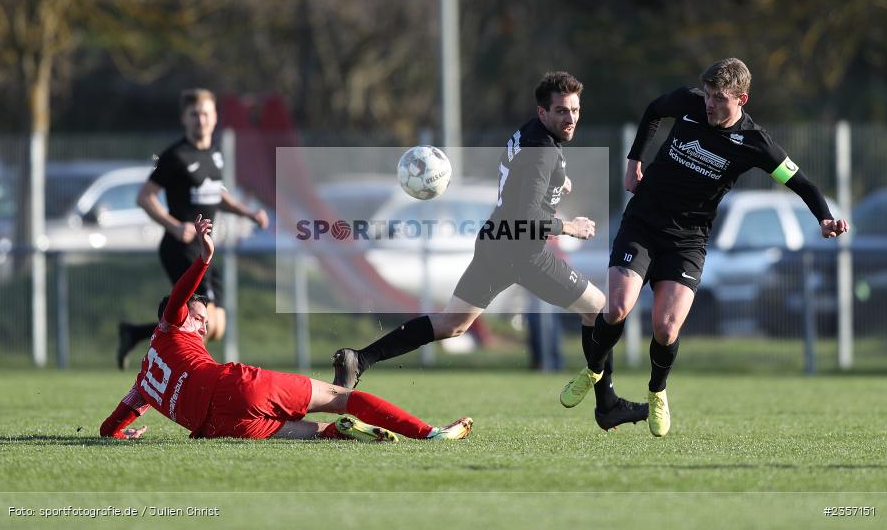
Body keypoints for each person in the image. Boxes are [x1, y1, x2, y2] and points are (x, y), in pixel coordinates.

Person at [332, 71, 648, 431]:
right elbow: (526, 216)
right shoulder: (543, 152)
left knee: (452, 324)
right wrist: (568, 226)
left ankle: (360, 359)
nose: (571, 118)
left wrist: (556, 185)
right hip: (524, 252)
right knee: (601, 309)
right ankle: (607, 404)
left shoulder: (531, 135)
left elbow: (522, 186)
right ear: (543, 112)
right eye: (562, 111)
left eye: (575, 110)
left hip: (495, 242)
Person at [559, 58, 850, 437]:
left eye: (719, 98)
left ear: (741, 98)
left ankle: (657, 391)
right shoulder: (689, 103)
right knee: (616, 307)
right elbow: (653, 112)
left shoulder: (755, 143)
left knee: (666, 328)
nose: (709, 104)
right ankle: (594, 370)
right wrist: (635, 160)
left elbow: (800, 182)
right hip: (644, 222)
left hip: (688, 239)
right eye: (708, 95)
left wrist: (823, 217)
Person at [101, 215, 472, 443]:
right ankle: (429, 434)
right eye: (198, 316)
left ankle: (340, 431)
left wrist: (120, 433)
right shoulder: (170, 325)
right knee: (340, 397)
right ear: (178, 315)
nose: (202, 322)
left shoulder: (143, 382)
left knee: (309, 432)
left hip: (218, 426)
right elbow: (180, 296)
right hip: (234, 386)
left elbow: (109, 427)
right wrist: (204, 258)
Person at [117, 88, 269, 369]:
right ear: (184, 119)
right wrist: (175, 227)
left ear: (214, 118)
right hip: (181, 250)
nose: (201, 120)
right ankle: (184, 377)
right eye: (194, 115)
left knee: (216, 328)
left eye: (206, 114)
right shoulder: (175, 156)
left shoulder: (214, 155)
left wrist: (247, 212)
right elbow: (144, 197)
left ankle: (136, 334)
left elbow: (216, 194)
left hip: (205, 249)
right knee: (202, 322)